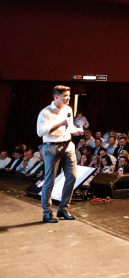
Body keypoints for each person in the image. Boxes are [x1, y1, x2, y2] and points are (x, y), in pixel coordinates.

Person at [36, 85, 82, 223]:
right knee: (50, 180)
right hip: (51, 147)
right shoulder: (46, 112)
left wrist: (76, 130)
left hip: (68, 145)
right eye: (65, 96)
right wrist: (60, 123)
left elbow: (69, 127)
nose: (68, 98)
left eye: (69, 95)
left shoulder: (68, 109)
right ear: (56, 97)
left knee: (72, 177)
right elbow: (40, 132)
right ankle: (47, 212)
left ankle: (63, 209)